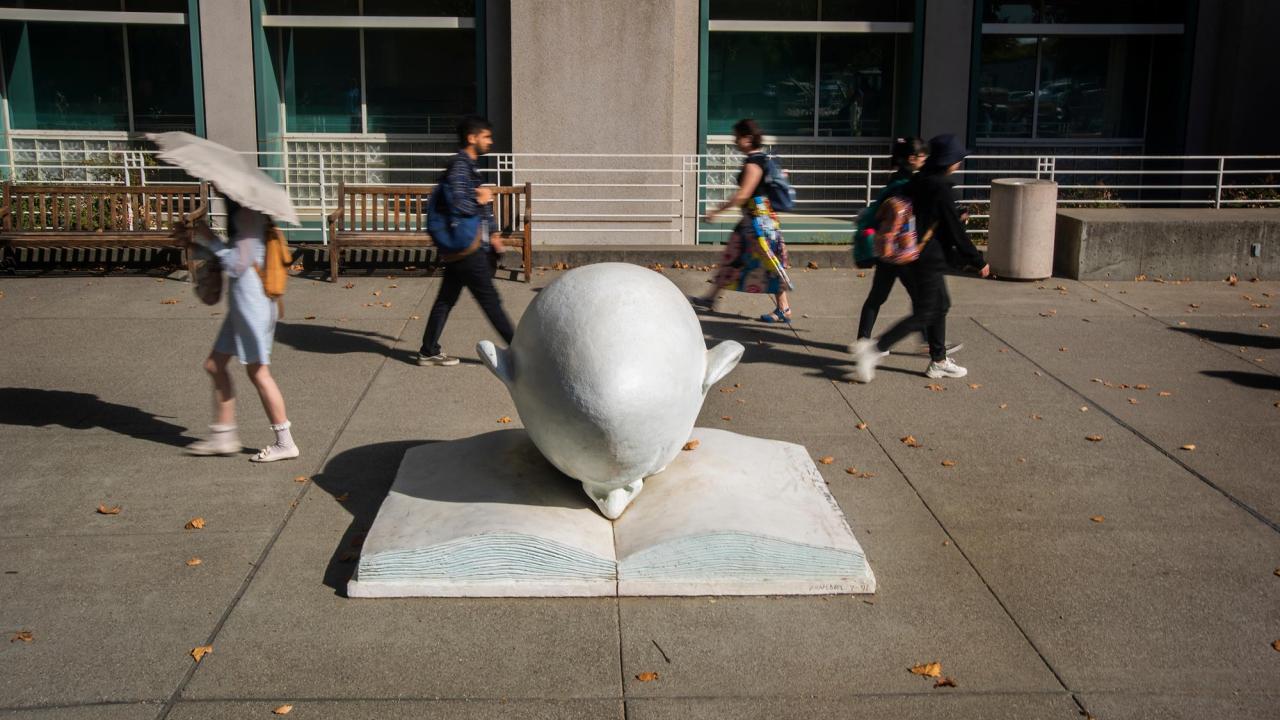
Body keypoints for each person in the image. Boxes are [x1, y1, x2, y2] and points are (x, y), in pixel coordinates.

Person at [848, 134, 990, 381]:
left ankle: (938, 360)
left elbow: (930, 217)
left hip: (916, 254)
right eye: (958, 159)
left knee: (940, 305)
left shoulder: (918, 181)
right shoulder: (940, 187)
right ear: (950, 161)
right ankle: (873, 348)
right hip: (927, 258)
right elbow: (955, 232)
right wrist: (978, 261)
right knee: (925, 311)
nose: (959, 163)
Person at [183, 196, 299, 462]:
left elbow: (237, 264)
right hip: (245, 304)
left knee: (258, 372)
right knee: (214, 365)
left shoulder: (247, 215)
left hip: (252, 305)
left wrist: (208, 237)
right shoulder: (249, 213)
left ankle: (285, 443)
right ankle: (223, 436)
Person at [417, 116, 515, 366]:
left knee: (446, 300)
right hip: (467, 249)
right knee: (491, 301)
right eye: (486, 136)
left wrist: (492, 235)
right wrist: (481, 198)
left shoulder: (468, 166)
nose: (490, 141)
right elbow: (460, 203)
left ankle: (428, 350)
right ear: (472, 138)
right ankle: (524, 353)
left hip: (463, 247)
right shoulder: (460, 165)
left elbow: (476, 208)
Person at [692, 118, 792, 323]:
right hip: (759, 221)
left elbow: (742, 195)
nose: (735, 141)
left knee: (765, 263)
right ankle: (711, 298)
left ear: (747, 138)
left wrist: (716, 211)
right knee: (743, 259)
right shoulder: (763, 159)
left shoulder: (753, 164)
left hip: (756, 224)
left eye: (737, 137)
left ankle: (784, 308)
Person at [855, 137, 927, 344]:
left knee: (877, 297)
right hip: (901, 251)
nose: (925, 159)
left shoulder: (896, 180)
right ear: (912, 158)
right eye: (923, 155)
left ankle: (862, 341)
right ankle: (929, 343)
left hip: (886, 250)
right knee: (920, 298)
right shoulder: (907, 184)